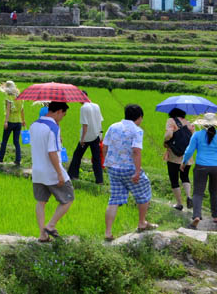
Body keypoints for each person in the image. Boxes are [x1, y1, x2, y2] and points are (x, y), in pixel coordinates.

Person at [102, 104, 156, 241]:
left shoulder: (113, 127)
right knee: (144, 191)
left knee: (114, 199)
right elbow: (136, 151)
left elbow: (105, 146)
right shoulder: (137, 131)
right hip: (129, 169)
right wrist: (137, 172)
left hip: (113, 168)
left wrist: (107, 162)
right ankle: (142, 223)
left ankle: (108, 232)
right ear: (139, 117)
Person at [182, 113, 217, 228]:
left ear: (203, 124)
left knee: (198, 192)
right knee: (214, 191)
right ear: (216, 125)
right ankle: (216, 217)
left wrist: (184, 162)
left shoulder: (197, 135)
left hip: (201, 167)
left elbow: (189, 150)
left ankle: (196, 216)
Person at [30, 101, 73, 242]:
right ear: (59, 111)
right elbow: (52, 152)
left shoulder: (34, 125)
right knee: (68, 198)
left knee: (41, 202)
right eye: (63, 115)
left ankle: (42, 235)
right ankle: (51, 225)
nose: (62, 118)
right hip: (51, 171)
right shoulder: (53, 128)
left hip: (37, 171)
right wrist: (60, 173)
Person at [67, 91, 104, 184]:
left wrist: (82, 139)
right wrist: (100, 135)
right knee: (96, 159)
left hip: (87, 137)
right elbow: (100, 121)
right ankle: (99, 180)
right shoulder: (96, 106)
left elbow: (85, 125)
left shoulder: (84, 108)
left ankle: (73, 175)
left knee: (77, 156)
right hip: (96, 136)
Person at [163, 108, 194, 210]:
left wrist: (165, 140)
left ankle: (179, 204)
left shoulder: (171, 121)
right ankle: (189, 196)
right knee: (185, 177)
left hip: (174, 156)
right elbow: (193, 137)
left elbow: (169, 134)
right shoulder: (188, 123)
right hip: (187, 157)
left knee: (174, 179)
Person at [0, 81, 25, 165]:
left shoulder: (9, 98)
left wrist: (6, 122)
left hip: (10, 121)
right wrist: (23, 120)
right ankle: (18, 160)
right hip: (18, 122)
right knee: (16, 142)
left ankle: (0, 158)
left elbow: (8, 111)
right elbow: (22, 110)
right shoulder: (20, 98)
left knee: (4, 141)